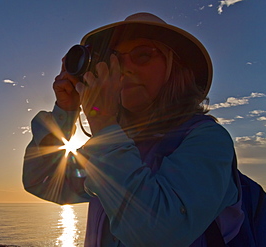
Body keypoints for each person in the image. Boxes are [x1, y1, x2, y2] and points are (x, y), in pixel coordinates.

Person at [22, 12, 244, 246]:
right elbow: (44, 181)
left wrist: (104, 121)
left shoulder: (207, 141)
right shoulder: (109, 146)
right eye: (114, 60)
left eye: (142, 55)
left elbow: (156, 233)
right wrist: (65, 112)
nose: (124, 69)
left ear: (175, 68)